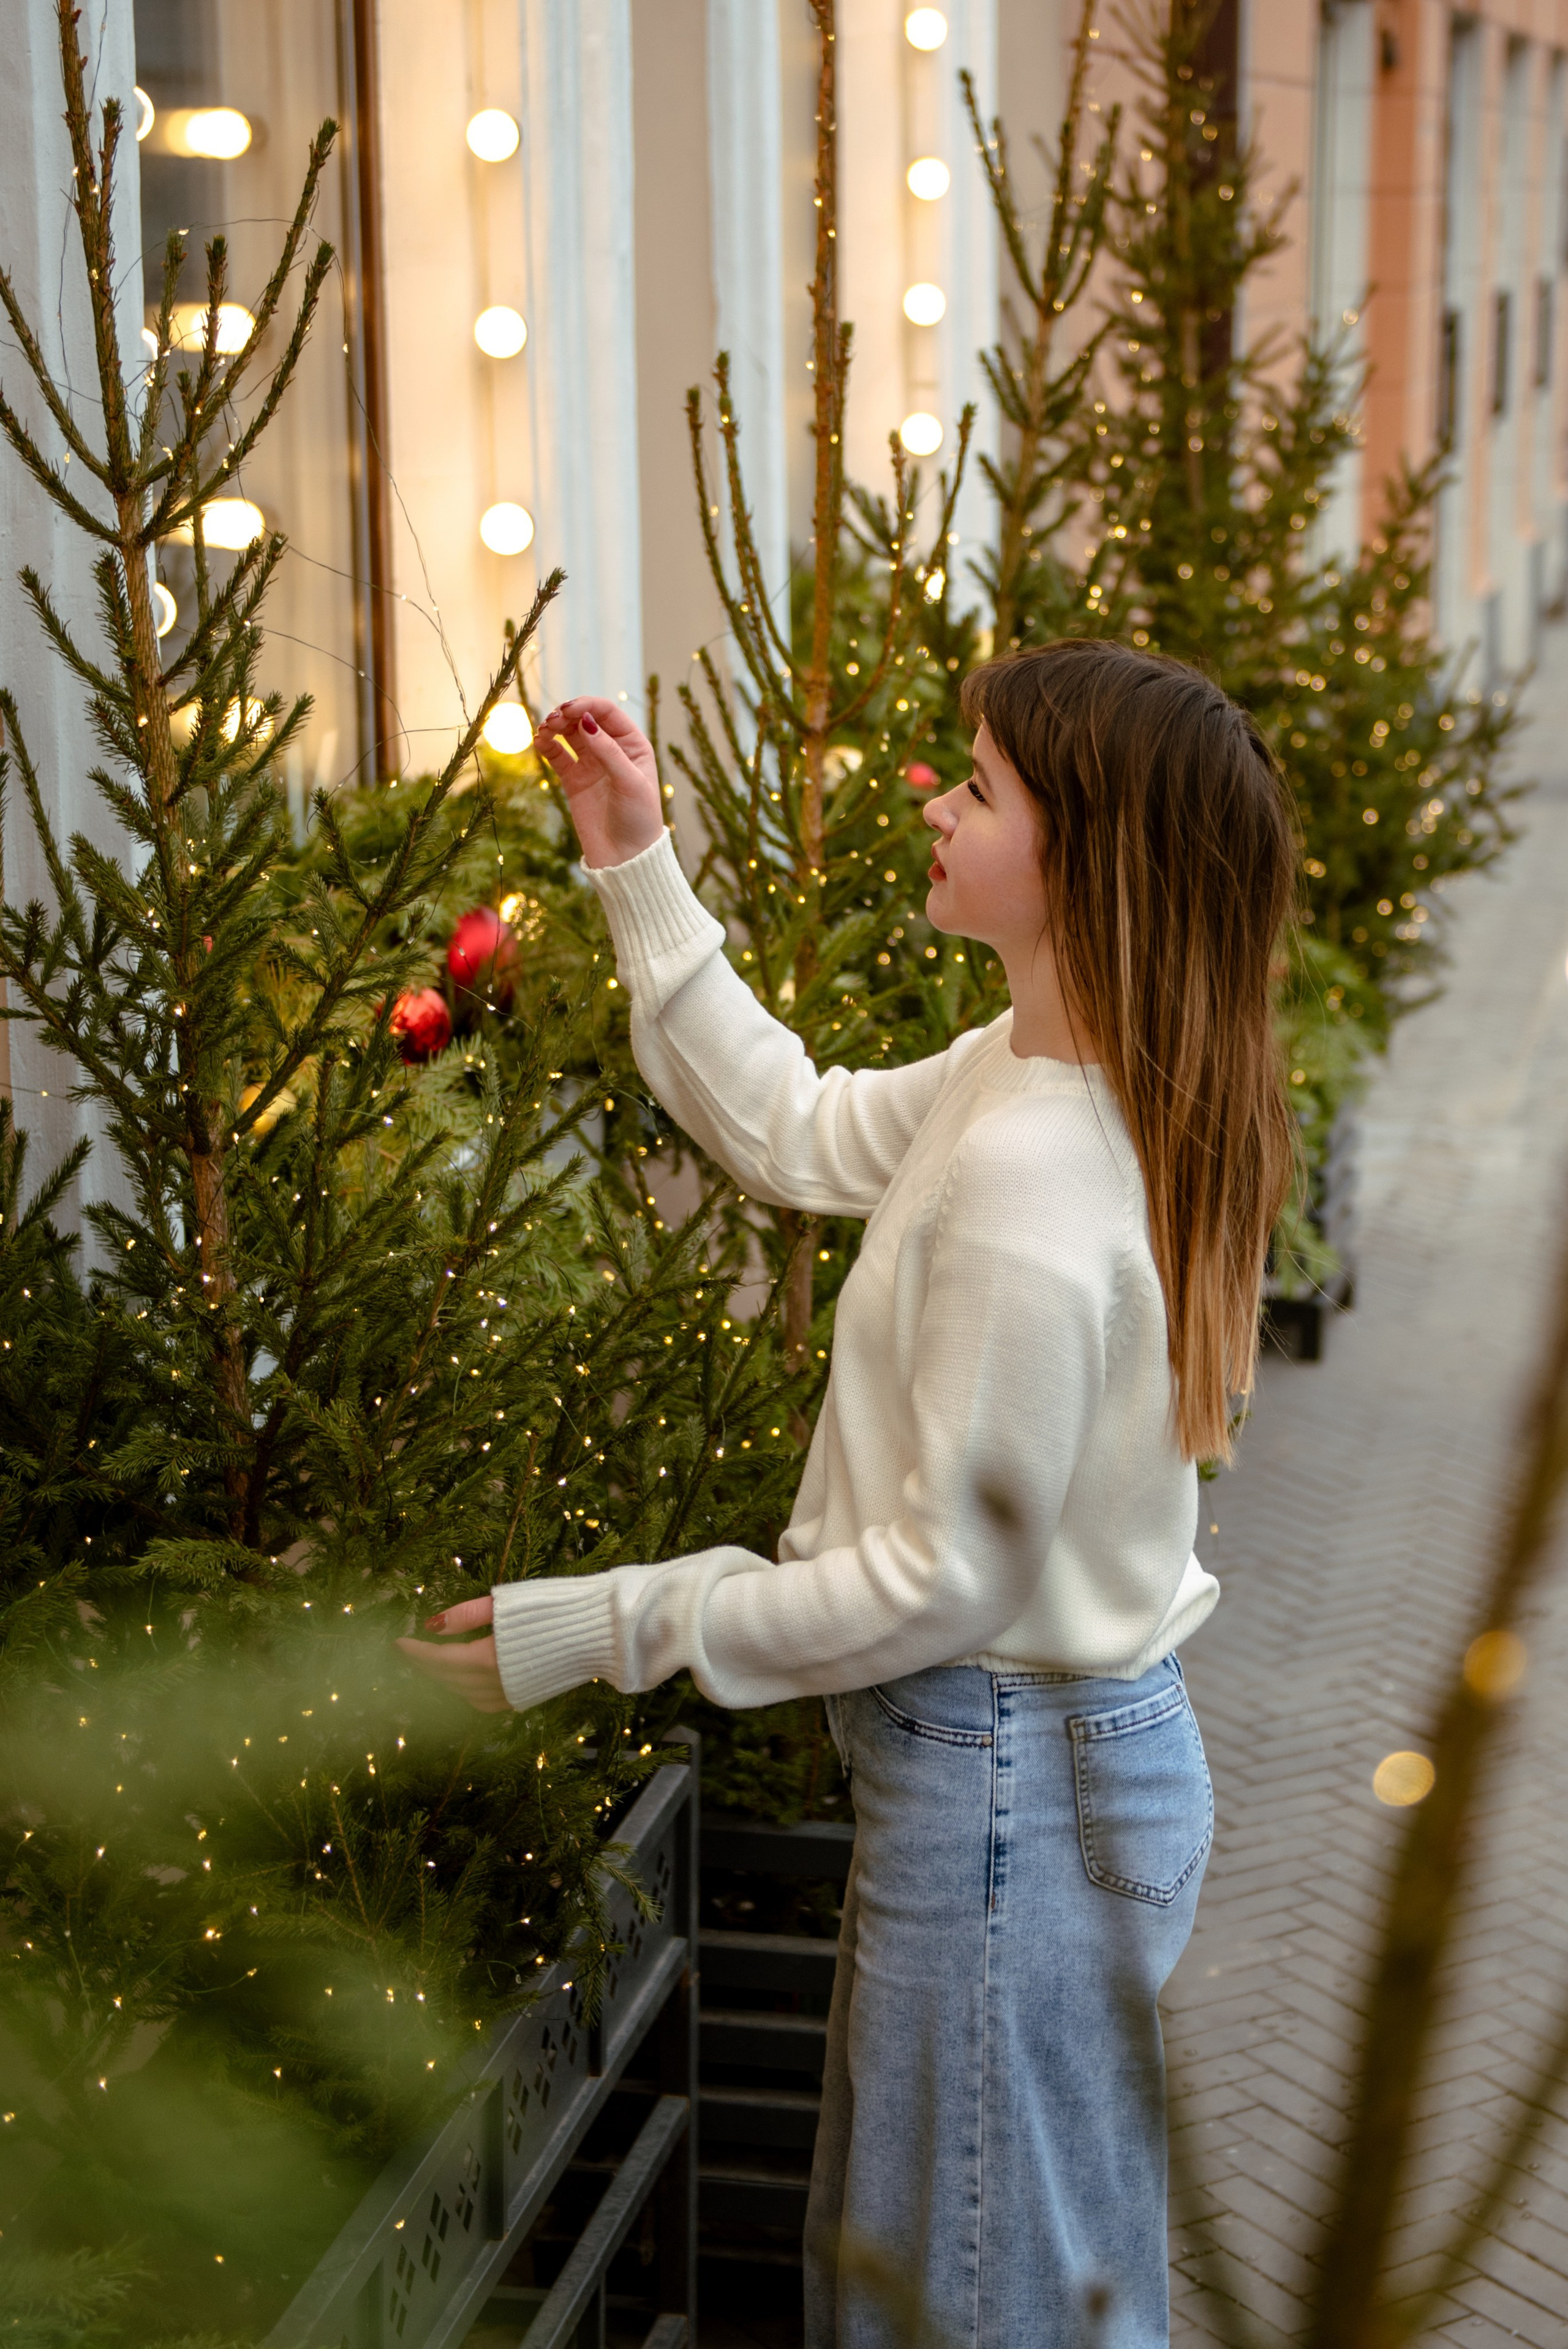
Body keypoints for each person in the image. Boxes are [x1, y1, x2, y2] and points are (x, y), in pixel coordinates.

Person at [400, 639, 1298, 2348]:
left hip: (1007, 1798)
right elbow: (797, 1126)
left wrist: (604, 1624)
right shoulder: (1035, 1076)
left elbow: (933, 1580)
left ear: (1084, 856)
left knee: (949, 2299)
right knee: (1031, 2280)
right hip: (1043, 1778)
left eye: (980, 787)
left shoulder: (1040, 1184)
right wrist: (632, 860)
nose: (938, 806)